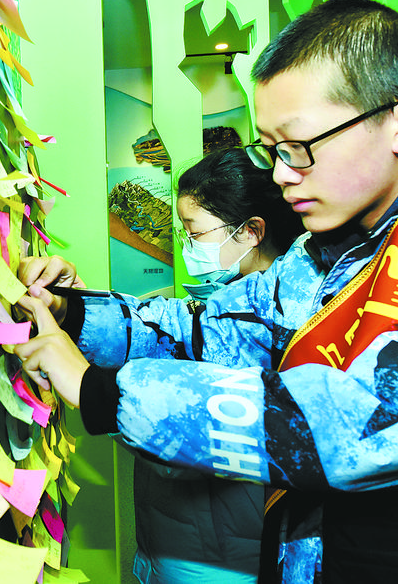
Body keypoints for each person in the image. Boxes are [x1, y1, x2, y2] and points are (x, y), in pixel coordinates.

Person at [14, 0, 398, 583]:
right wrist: (74, 313)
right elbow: (217, 330)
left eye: (298, 147)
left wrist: (99, 390)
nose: (281, 174)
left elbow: (346, 422)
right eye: (272, 150)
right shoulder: (340, 237)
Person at [131, 147, 304, 584]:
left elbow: (183, 443)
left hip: (219, 556)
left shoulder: (270, 325)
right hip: (180, 540)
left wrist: (98, 383)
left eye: (194, 232)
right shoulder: (221, 301)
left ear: (250, 232)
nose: (186, 247)